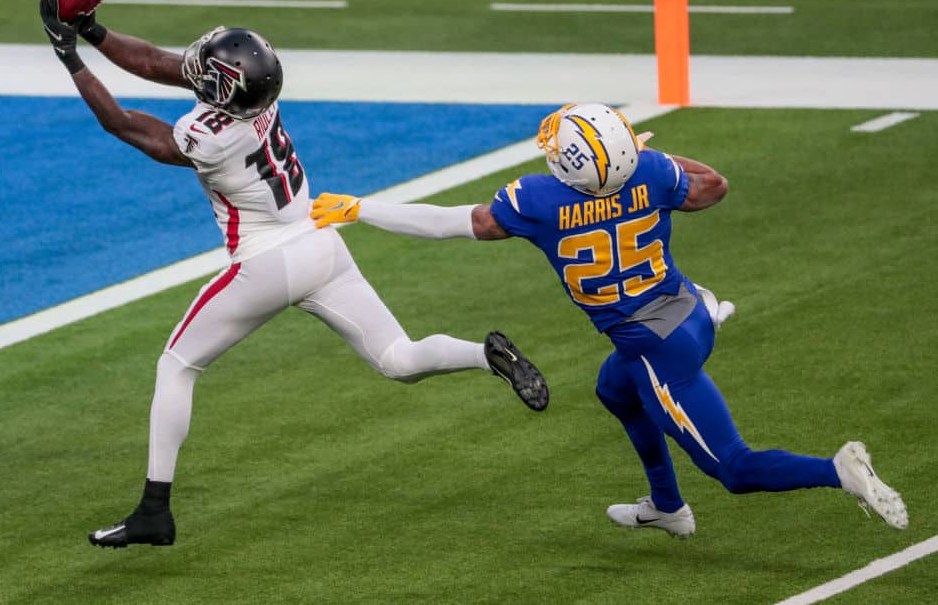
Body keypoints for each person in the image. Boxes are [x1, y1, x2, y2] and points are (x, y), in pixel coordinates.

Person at [38, 0, 550, 549]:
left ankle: (153, 512)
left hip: (263, 261)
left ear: (224, 87)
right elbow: (164, 65)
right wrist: (91, 28)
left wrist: (68, 53)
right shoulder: (259, 97)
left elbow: (122, 123)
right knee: (398, 359)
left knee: (177, 366)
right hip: (320, 243)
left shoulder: (209, 137)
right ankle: (485, 354)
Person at [310, 102, 909, 537]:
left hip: (658, 348)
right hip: (686, 312)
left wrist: (364, 209)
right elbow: (712, 186)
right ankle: (666, 507)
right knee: (612, 387)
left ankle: (839, 472)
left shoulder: (539, 200)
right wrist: (650, 155)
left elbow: (449, 223)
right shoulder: (648, 172)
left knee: (734, 468)